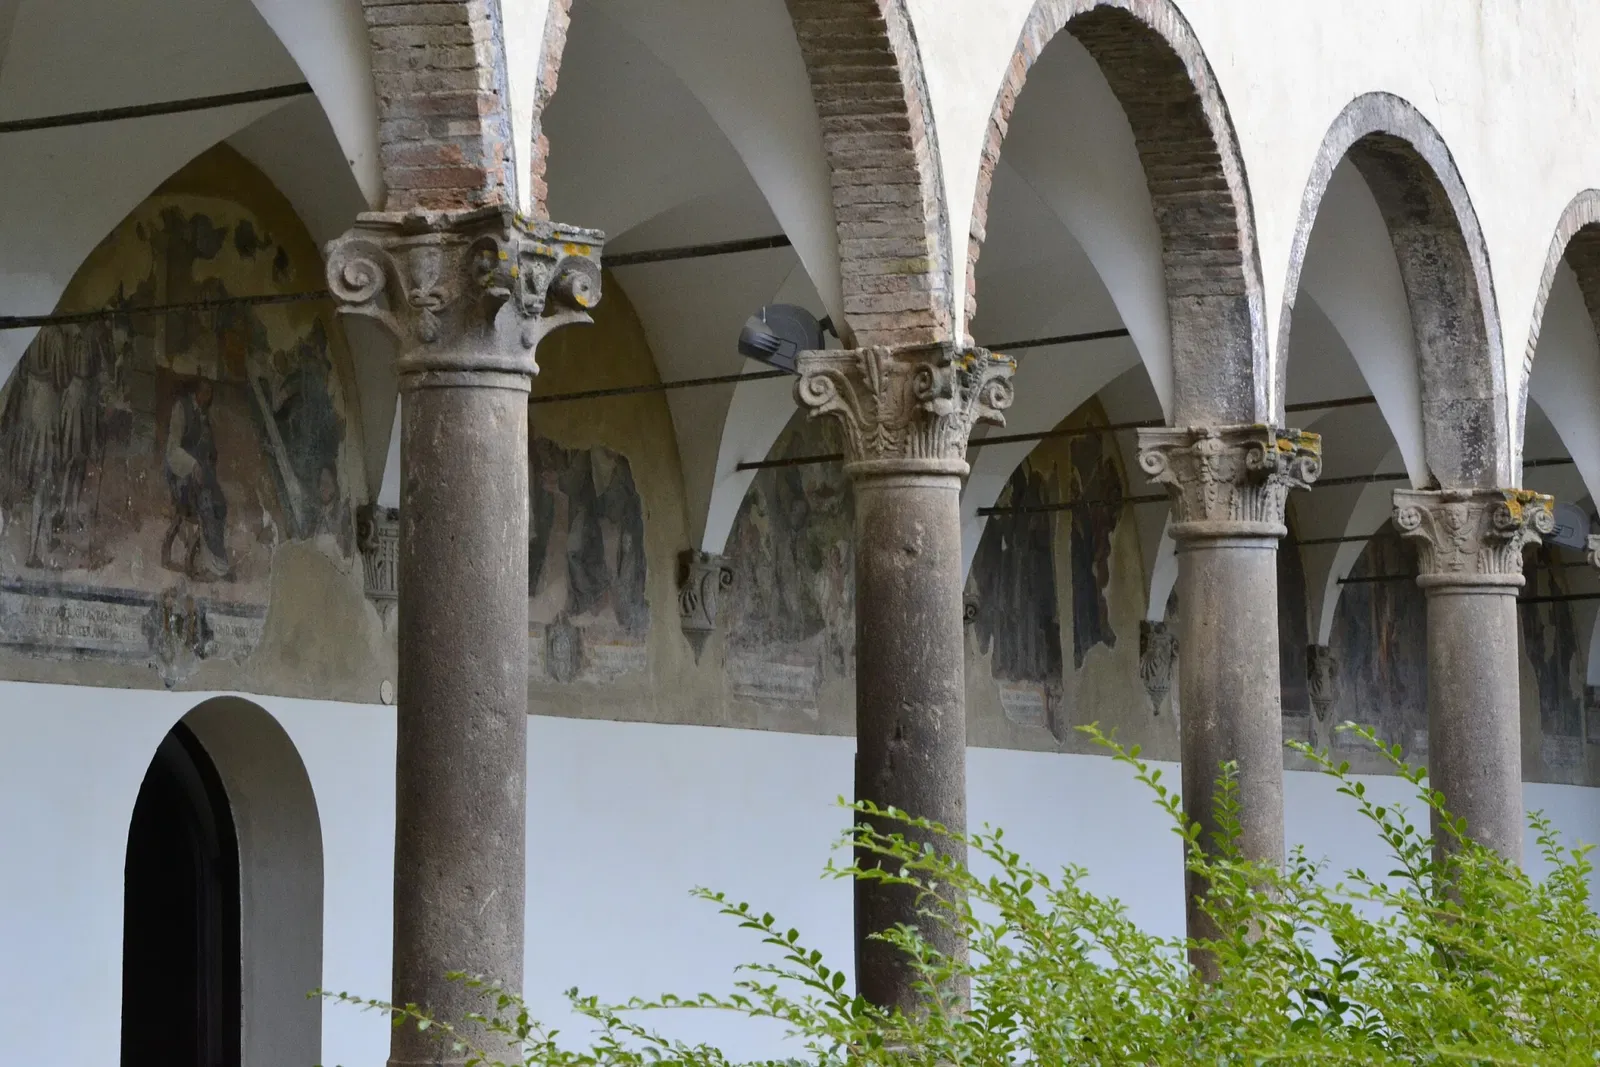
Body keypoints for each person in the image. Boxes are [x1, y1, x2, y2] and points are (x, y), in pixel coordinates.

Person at [161, 378, 231, 580]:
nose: (208, 397)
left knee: (220, 505)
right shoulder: (181, 409)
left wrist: (209, 458)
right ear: (197, 392)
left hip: (201, 477)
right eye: (205, 392)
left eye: (210, 394)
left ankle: (217, 561)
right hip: (180, 476)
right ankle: (212, 566)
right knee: (207, 504)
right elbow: (173, 450)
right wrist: (192, 465)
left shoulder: (203, 416)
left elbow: (209, 451)